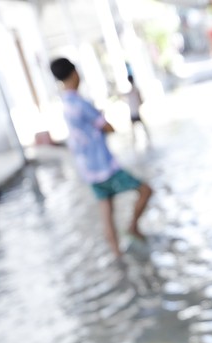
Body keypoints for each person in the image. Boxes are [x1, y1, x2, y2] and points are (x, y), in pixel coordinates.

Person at [49, 57, 152, 260]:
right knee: (146, 190)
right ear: (74, 73)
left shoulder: (65, 105)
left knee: (106, 213)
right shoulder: (80, 103)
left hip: (88, 170)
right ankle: (132, 227)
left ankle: (117, 257)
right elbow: (107, 127)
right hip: (105, 168)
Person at [126, 75, 150, 146]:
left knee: (135, 129)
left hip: (134, 112)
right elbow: (141, 101)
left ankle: (135, 141)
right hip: (135, 112)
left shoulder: (131, 92)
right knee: (140, 128)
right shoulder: (135, 91)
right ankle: (137, 141)